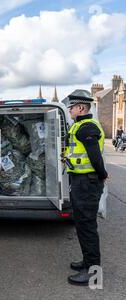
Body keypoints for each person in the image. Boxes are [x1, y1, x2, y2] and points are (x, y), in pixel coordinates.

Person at [63, 90, 108, 286]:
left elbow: (95, 157)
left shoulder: (87, 127)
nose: (69, 110)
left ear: (81, 108)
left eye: (71, 107)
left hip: (87, 183)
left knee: (87, 227)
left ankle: (93, 273)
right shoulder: (79, 126)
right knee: (81, 224)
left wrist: (103, 175)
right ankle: (87, 262)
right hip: (81, 181)